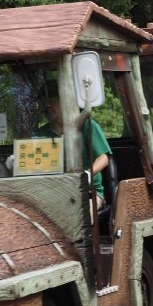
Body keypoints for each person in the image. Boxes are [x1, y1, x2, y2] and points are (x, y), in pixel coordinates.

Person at [35, 81, 111, 211]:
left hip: (88, 193)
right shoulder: (41, 134)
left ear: (65, 102)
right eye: (43, 104)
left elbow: (103, 159)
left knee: (83, 214)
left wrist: (87, 175)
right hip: (53, 194)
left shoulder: (87, 126)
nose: (45, 108)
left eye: (50, 102)